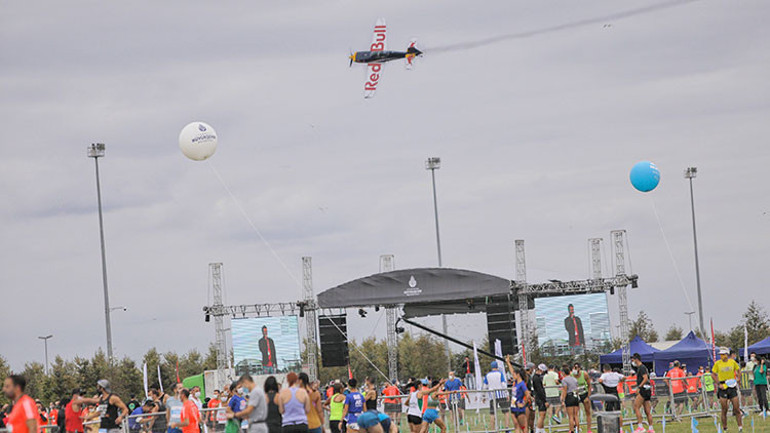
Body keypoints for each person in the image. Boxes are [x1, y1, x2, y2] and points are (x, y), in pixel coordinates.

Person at [712, 347, 743, 432]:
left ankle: (740, 427)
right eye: (721, 355)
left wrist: (738, 378)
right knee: (724, 409)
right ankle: (725, 428)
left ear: (727, 354)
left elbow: (738, 371)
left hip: (732, 386)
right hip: (723, 387)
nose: (722, 356)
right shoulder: (717, 363)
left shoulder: (732, 362)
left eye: (723, 354)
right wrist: (719, 384)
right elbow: (713, 374)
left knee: (736, 408)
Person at [630, 354, 654, 433]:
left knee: (636, 406)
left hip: (643, 390)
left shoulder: (642, 368)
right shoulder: (640, 368)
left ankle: (640, 427)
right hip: (647, 389)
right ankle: (651, 428)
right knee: (647, 410)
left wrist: (639, 387)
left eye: (633, 360)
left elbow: (645, 378)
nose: (632, 362)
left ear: (636, 359)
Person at [484, 361, 511, 430]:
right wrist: (507, 393)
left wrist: (483, 396)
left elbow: (485, 386)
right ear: (497, 367)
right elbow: (503, 385)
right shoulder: (500, 374)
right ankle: (507, 428)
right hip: (501, 394)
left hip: (492, 396)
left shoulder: (488, 375)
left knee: (492, 413)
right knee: (506, 411)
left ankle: (493, 429)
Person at [598, 365, 624, 431]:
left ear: (604, 370)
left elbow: (600, 380)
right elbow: (624, 377)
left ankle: (609, 428)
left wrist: (605, 384)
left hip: (608, 395)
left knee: (608, 413)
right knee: (618, 412)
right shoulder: (616, 374)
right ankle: (620, 429)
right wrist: (619, 381)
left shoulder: (605, 375)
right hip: (616, 394)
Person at [508, 365, 530, 433]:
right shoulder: (516, 382)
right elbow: (512, 372)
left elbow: (528, 395)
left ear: (518, 375)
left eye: (514, 374)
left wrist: (523, 403)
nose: (513, 375)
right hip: (513, 407)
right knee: (516, 427)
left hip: (519, 409)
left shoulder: (522, 384)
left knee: (524, 427)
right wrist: (508, 363)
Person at [572, 363, 593, 433]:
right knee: (575, 413)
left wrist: (588, 397)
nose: (575, 369)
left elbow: (589, 385)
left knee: (587, 412)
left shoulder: (585, 374)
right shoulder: (571, 375)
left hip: (584, 394)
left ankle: (589, 429)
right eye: (574, 367)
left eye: (576, 367)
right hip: (575, 394)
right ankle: (577, 429)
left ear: (579, 368)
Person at [560, 366, 579, 433]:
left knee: (570, 416)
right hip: (575, 396)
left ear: (564, 373)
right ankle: (577, 430)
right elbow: (577, 388)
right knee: (576, 415)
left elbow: (565, 390)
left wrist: (563, 399)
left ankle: (571, 430)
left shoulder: (564, 380)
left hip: (569, 396)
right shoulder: (574, 379)